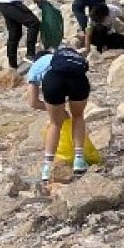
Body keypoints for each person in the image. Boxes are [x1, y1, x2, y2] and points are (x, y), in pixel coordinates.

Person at [25, 46, 92, 188]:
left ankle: (47, 168)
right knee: (78, 116)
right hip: (79, 80)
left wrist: (57, 111)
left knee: (55, 124)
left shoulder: (36, 66)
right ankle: (79, 160)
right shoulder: (64, 59)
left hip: (54, 80)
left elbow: (33, 102)